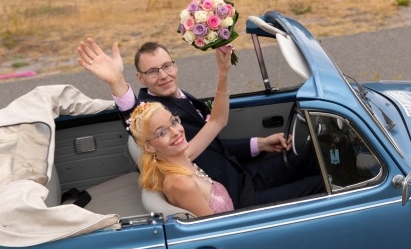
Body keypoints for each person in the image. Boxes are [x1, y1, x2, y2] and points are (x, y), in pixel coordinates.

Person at [77, 37, 322, 209]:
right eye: (153, 72)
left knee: (314, 157)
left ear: (175, 65)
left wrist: (260, 143)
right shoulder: (152, 113)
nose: (163, 75)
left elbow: (213, 139)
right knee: (320, 185)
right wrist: (116, 82)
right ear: (140, 78)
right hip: (238, 198)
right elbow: (134, 118)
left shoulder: (181, 98)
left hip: (241, 173)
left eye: (166, 66)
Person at [127, 46, 235, 216]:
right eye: (162, 133)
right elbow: (219, 231)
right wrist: (116, 83)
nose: (176, 132)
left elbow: (217, 120)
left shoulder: (182, 158)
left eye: (174, 121)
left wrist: (223, 71)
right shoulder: (181, 184)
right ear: (149, 146)